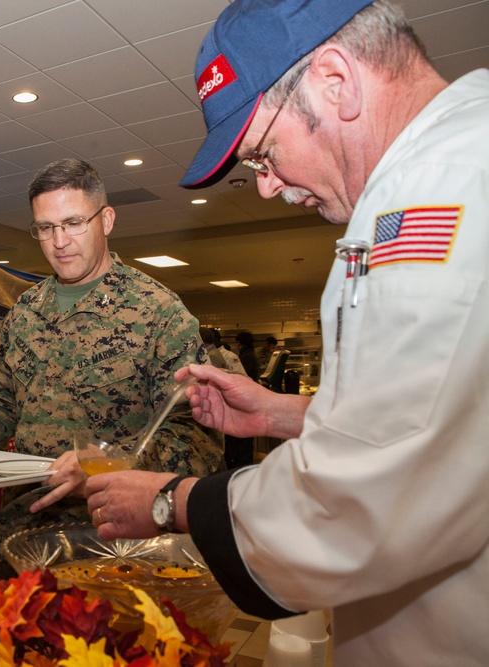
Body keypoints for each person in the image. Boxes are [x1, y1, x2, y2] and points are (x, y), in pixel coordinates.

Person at [84, 1, 488, 664]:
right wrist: (285, 413)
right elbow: (455, 422)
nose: (267, 189)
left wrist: (170, 500)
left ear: (336, 81)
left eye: (264, 155)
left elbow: (363, 503)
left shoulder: (437, 197)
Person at [0, 158, 222, 589]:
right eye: (45, 227)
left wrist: (103, 467)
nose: (59, 241)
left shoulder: (159, 312)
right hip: (34, 518)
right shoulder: (25, 313)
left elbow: (197, 437)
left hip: (119, 532)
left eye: (74, 222)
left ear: (107, 220)